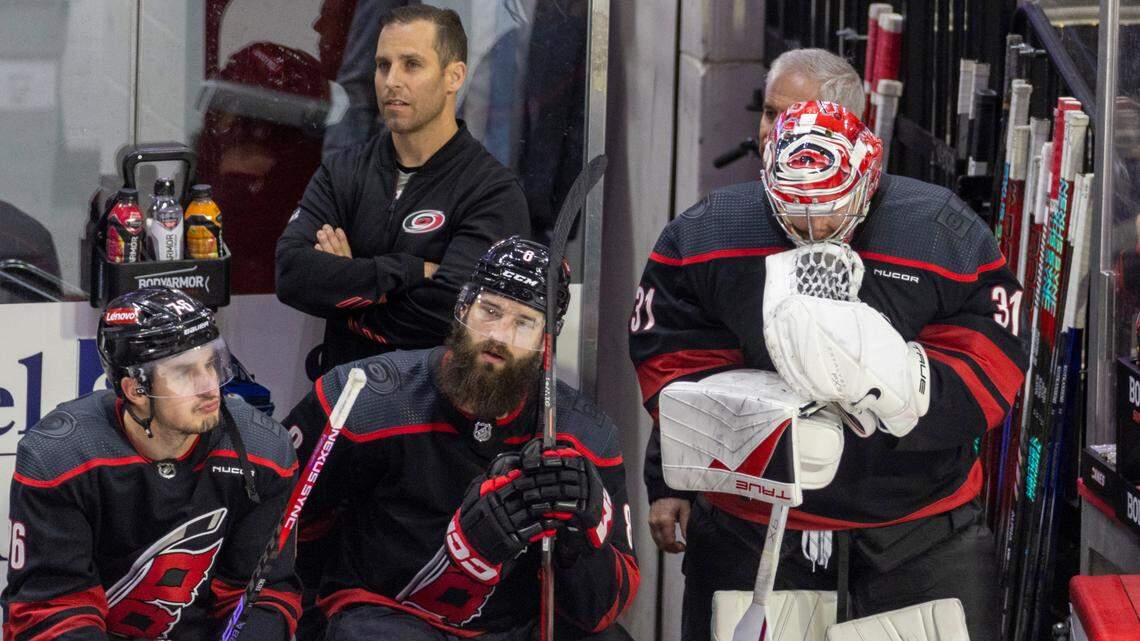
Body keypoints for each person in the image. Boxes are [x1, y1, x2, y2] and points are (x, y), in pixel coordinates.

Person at [629, 100, 1028, 641]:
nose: (811, 226)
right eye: (794, 209)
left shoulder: (940, 228)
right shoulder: (707, 233)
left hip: (919, 532)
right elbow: (667, 351)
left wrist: (911, 391)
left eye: (828, 208)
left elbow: (997, 347)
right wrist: (755, 419)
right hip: (753, 529)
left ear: (868, 178)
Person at [285, 236, 638, 640]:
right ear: (463, 308)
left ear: (547, 342)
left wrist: (582, 543)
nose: (499, 336)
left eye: (524, 322)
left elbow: (604, 609)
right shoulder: (360, 398)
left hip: (513, 626)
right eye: (490, 311)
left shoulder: (587, 435)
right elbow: (280, 525)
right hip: (387, 615)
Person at [0, 287, 301, 640]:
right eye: (185, 372)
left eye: (211, 364)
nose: (210, 387)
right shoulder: (59, 459)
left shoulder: (262, 451)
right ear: (134, 390)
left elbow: (261, 593)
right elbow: (53, 610)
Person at [277, 4, 531, 380]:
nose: (391, 80)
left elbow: (455, 312)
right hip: (342, 408)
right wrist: (409, 270)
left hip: (434, 416)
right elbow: (292, 274)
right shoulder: (343, 171)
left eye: (411, 65)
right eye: (383, 65)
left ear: (454, 76)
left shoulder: (492, 192)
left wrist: (347, 293)